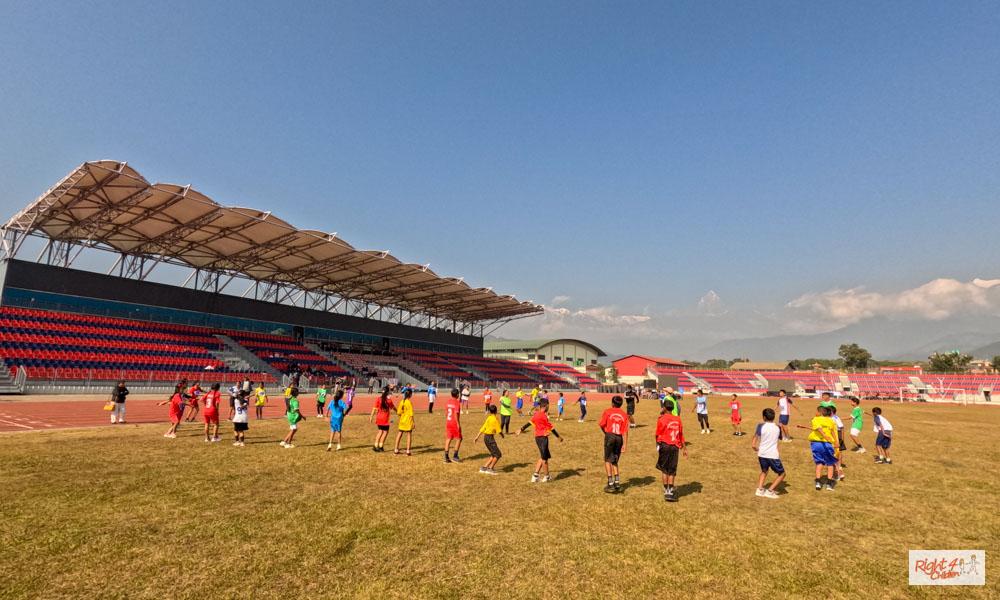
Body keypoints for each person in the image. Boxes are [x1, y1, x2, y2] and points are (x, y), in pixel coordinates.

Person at [518, 398, 562, 483]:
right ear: (545, 406)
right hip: (543, 438)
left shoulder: (536, 414)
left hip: (537, 438)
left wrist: (521, 429)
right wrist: (558, 436)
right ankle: (547, 477)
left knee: (542, 457)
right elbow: (551, 428)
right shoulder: (544, 416)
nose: (549, 407)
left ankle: (535, 476)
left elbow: (529, 423)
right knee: (544, 459)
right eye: (548, 405)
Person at [799, 405, 838, 491]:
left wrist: (823, 435)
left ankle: (818, 482)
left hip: (816, 444)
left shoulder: (815, 419)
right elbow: (833, 432)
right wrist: (836, 442)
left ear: (820, 413)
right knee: (830, 463)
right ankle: (829, 484)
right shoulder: (831, 421)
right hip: (827, 444)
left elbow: (818, 428)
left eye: (816, 411)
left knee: (819, 463)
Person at [655, 399, 687, 503]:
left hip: (664, 445)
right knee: (672, 468)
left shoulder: (661, 419)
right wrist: (684, 448)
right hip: (674, 446)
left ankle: (666, 490)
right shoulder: (678, 419)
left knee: (665, 469)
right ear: (673, 408)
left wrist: (657, 444)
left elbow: (657, 434)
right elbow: (681, 434)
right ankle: (671, 490)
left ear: (664, 408)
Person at [598, 395, 629, 493]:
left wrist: (606, 433)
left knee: (607, 459)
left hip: (610, 436)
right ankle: (617, 482)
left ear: (612, 403)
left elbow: (601, 425)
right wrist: (625, 445)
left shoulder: (608, 411)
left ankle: (610, 483)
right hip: (619, 438)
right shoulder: (624, 414)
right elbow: (625, 431)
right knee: (615, 460)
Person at [752, 408, 784, 499]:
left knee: (764, 471)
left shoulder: (760, 426)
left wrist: (754, 445)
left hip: (761, 453)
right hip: (772, 455)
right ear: (774, 417)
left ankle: (760, 489)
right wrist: (780, 427)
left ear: (764, 417)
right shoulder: (777, 427)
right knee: (782, 474)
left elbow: (755, 437)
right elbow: (781, 438)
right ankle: (770, 491)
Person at [474, 404, 504, 474]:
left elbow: (483, 428)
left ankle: (484, 468)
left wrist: (477, 437)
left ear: (490, 411)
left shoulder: (489, 418)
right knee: (498, 454)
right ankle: (490, 469)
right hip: (490, 438)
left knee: (493, 454)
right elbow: (499, 430)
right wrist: (502, 435)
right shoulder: (495, 419)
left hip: (485, 438)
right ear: (496, 411)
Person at [369, 388, 394, 453]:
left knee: (380, 431)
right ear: (387, 393)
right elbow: (393, 407)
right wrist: (398, 412)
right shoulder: (389, 400)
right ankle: (381, 446)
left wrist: (371, 417)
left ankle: (375, 445)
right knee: (385, 432)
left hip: (379, 418)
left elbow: (374, 409)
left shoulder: (378, 399)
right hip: (385, 418)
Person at [444, 388, 463, 463]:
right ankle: (455, 456)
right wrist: (458, 424)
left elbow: (446, 413)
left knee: (448, 438)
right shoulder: (457, 402)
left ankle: (446, 457)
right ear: (457, 395)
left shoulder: (448, 401)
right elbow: (455, 414)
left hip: (448, 422)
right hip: (454, 423)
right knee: (459, 438)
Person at [393, 388, 415, 455]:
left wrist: (402, 416)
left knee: (399, 434)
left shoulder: (402, 401)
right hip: (408, 420)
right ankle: (408, 451)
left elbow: (399, 412)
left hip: (402, 420)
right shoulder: (409, 402)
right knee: (409, 434)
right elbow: (411, 413)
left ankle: (396, 449)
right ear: (410, 395)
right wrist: (413, 422)